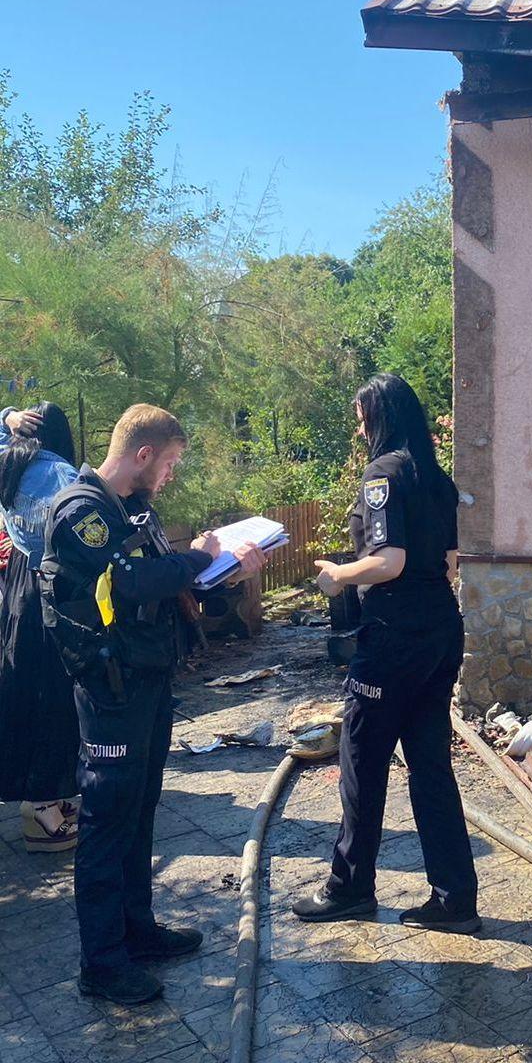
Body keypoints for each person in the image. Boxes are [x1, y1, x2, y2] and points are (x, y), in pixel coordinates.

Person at [41, 403, 265, 1005]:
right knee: (106, 820)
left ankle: (136, 929)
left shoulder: (133, 510)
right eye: (168, 464)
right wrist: (199, 555)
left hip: (147, 680)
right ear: (142, 455)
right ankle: (102, 963)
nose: (169, 476)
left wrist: (224, 571)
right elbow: (133, 581)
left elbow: (164, 580)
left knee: (141, 810)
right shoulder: (80, 512)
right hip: (108, 689)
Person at [293, 373, 479, 932]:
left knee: (363, 760)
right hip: (440, 628)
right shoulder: (437, 479)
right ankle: (454, 898)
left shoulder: (384, 475)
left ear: (378, 416)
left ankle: (349, 888)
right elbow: (449, 564)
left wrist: (338, 576)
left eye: (360, 415)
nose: (358, 426)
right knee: (429, 766)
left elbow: (389, 560)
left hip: (394, 635)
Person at [0, 403, 80, 851]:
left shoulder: (9, 464)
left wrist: (8, 415)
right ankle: (45, 812)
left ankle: (39, 802)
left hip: (16, 587)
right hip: (49, 589)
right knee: (55, 695)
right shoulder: (62, 478)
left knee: (22, 688)